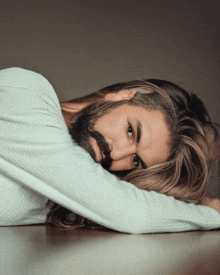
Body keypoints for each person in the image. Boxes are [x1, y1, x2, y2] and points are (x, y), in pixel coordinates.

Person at [0, 67, 219, 233]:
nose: (116, 154)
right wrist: (210, 213)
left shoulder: (65, 196)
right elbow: (132, 213)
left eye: (135, 160)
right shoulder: (24, 93)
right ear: (120, 96)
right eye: (131, 131)